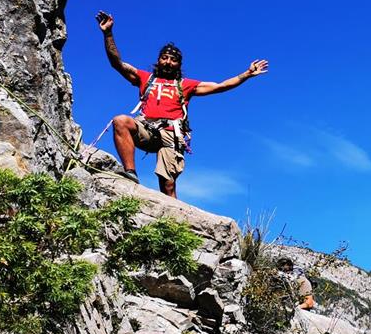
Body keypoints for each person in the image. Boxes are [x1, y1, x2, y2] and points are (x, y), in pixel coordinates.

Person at [96, 10, 269, 198]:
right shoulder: (146, 78)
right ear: (158, 60)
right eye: (165, 58)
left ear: (179, 64)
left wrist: (246, 74)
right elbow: (117, 63)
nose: (168, 62)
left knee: (168, 186)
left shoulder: (185, 85)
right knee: (120, 121)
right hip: (147, 128)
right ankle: (130, 173)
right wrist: (108, 33)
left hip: (172, 134)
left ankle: (174, 222)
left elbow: (220, 86)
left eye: (173, 60)